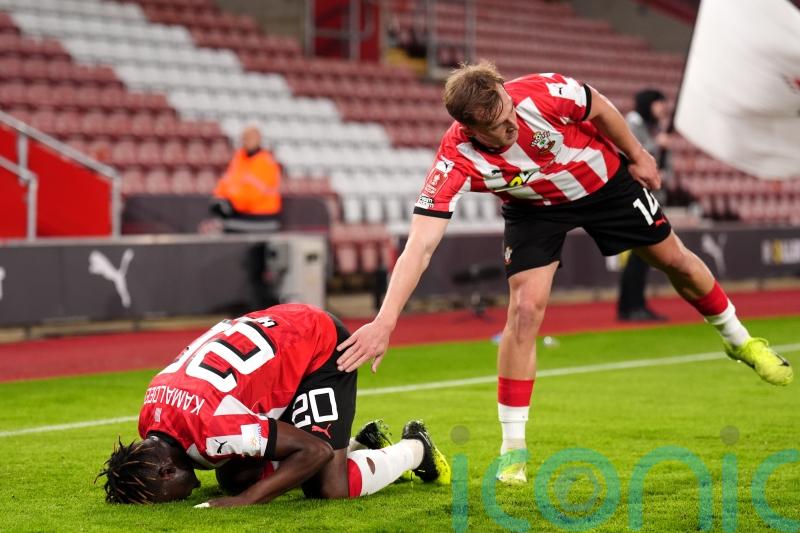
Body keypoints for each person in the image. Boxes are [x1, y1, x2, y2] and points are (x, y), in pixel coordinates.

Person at [334, 62, 794, 485]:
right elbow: (420, 245)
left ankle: (740, 341)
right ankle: (513, 448)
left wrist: (638, 154)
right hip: (534, 209)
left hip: (603, 183)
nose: (512, 125)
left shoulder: (541, 93)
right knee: (525, 309)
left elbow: (601, 106)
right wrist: (386, 320)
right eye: (499, 126)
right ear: (470, 129)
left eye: (509, 112)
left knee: (674, 260)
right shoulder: (455, 160)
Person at [97, 303, 449, 506]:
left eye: (164, 497)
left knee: (329, 486)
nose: (174, 501)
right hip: (278, 334)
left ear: (166, 471)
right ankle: (361, 444)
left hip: (317, 349)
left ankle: (416, 448)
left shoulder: (212, 430)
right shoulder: (152, 415)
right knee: (239, 476)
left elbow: (314, 451)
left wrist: (245, 502)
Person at [617, 89, 672, 322]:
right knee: (640, 255)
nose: (662, 108)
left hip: (647, 196)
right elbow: (634, 152)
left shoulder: (650, 126)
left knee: (642, 256)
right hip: (636, 197)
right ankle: (632, 306)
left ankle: (633, 305)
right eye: (659, 103)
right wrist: (658, 144)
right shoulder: (634, 123)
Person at [211, 125, 282, 232]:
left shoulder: (265, 162)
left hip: (261, 217)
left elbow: (252, 195)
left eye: (249, 138)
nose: (246, 141)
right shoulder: (239, 158)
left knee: (225, 228)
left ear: (258, 139)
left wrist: (230, 203)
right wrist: (219, 199)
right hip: (240, 214)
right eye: (244, 138)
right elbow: (226, 182)